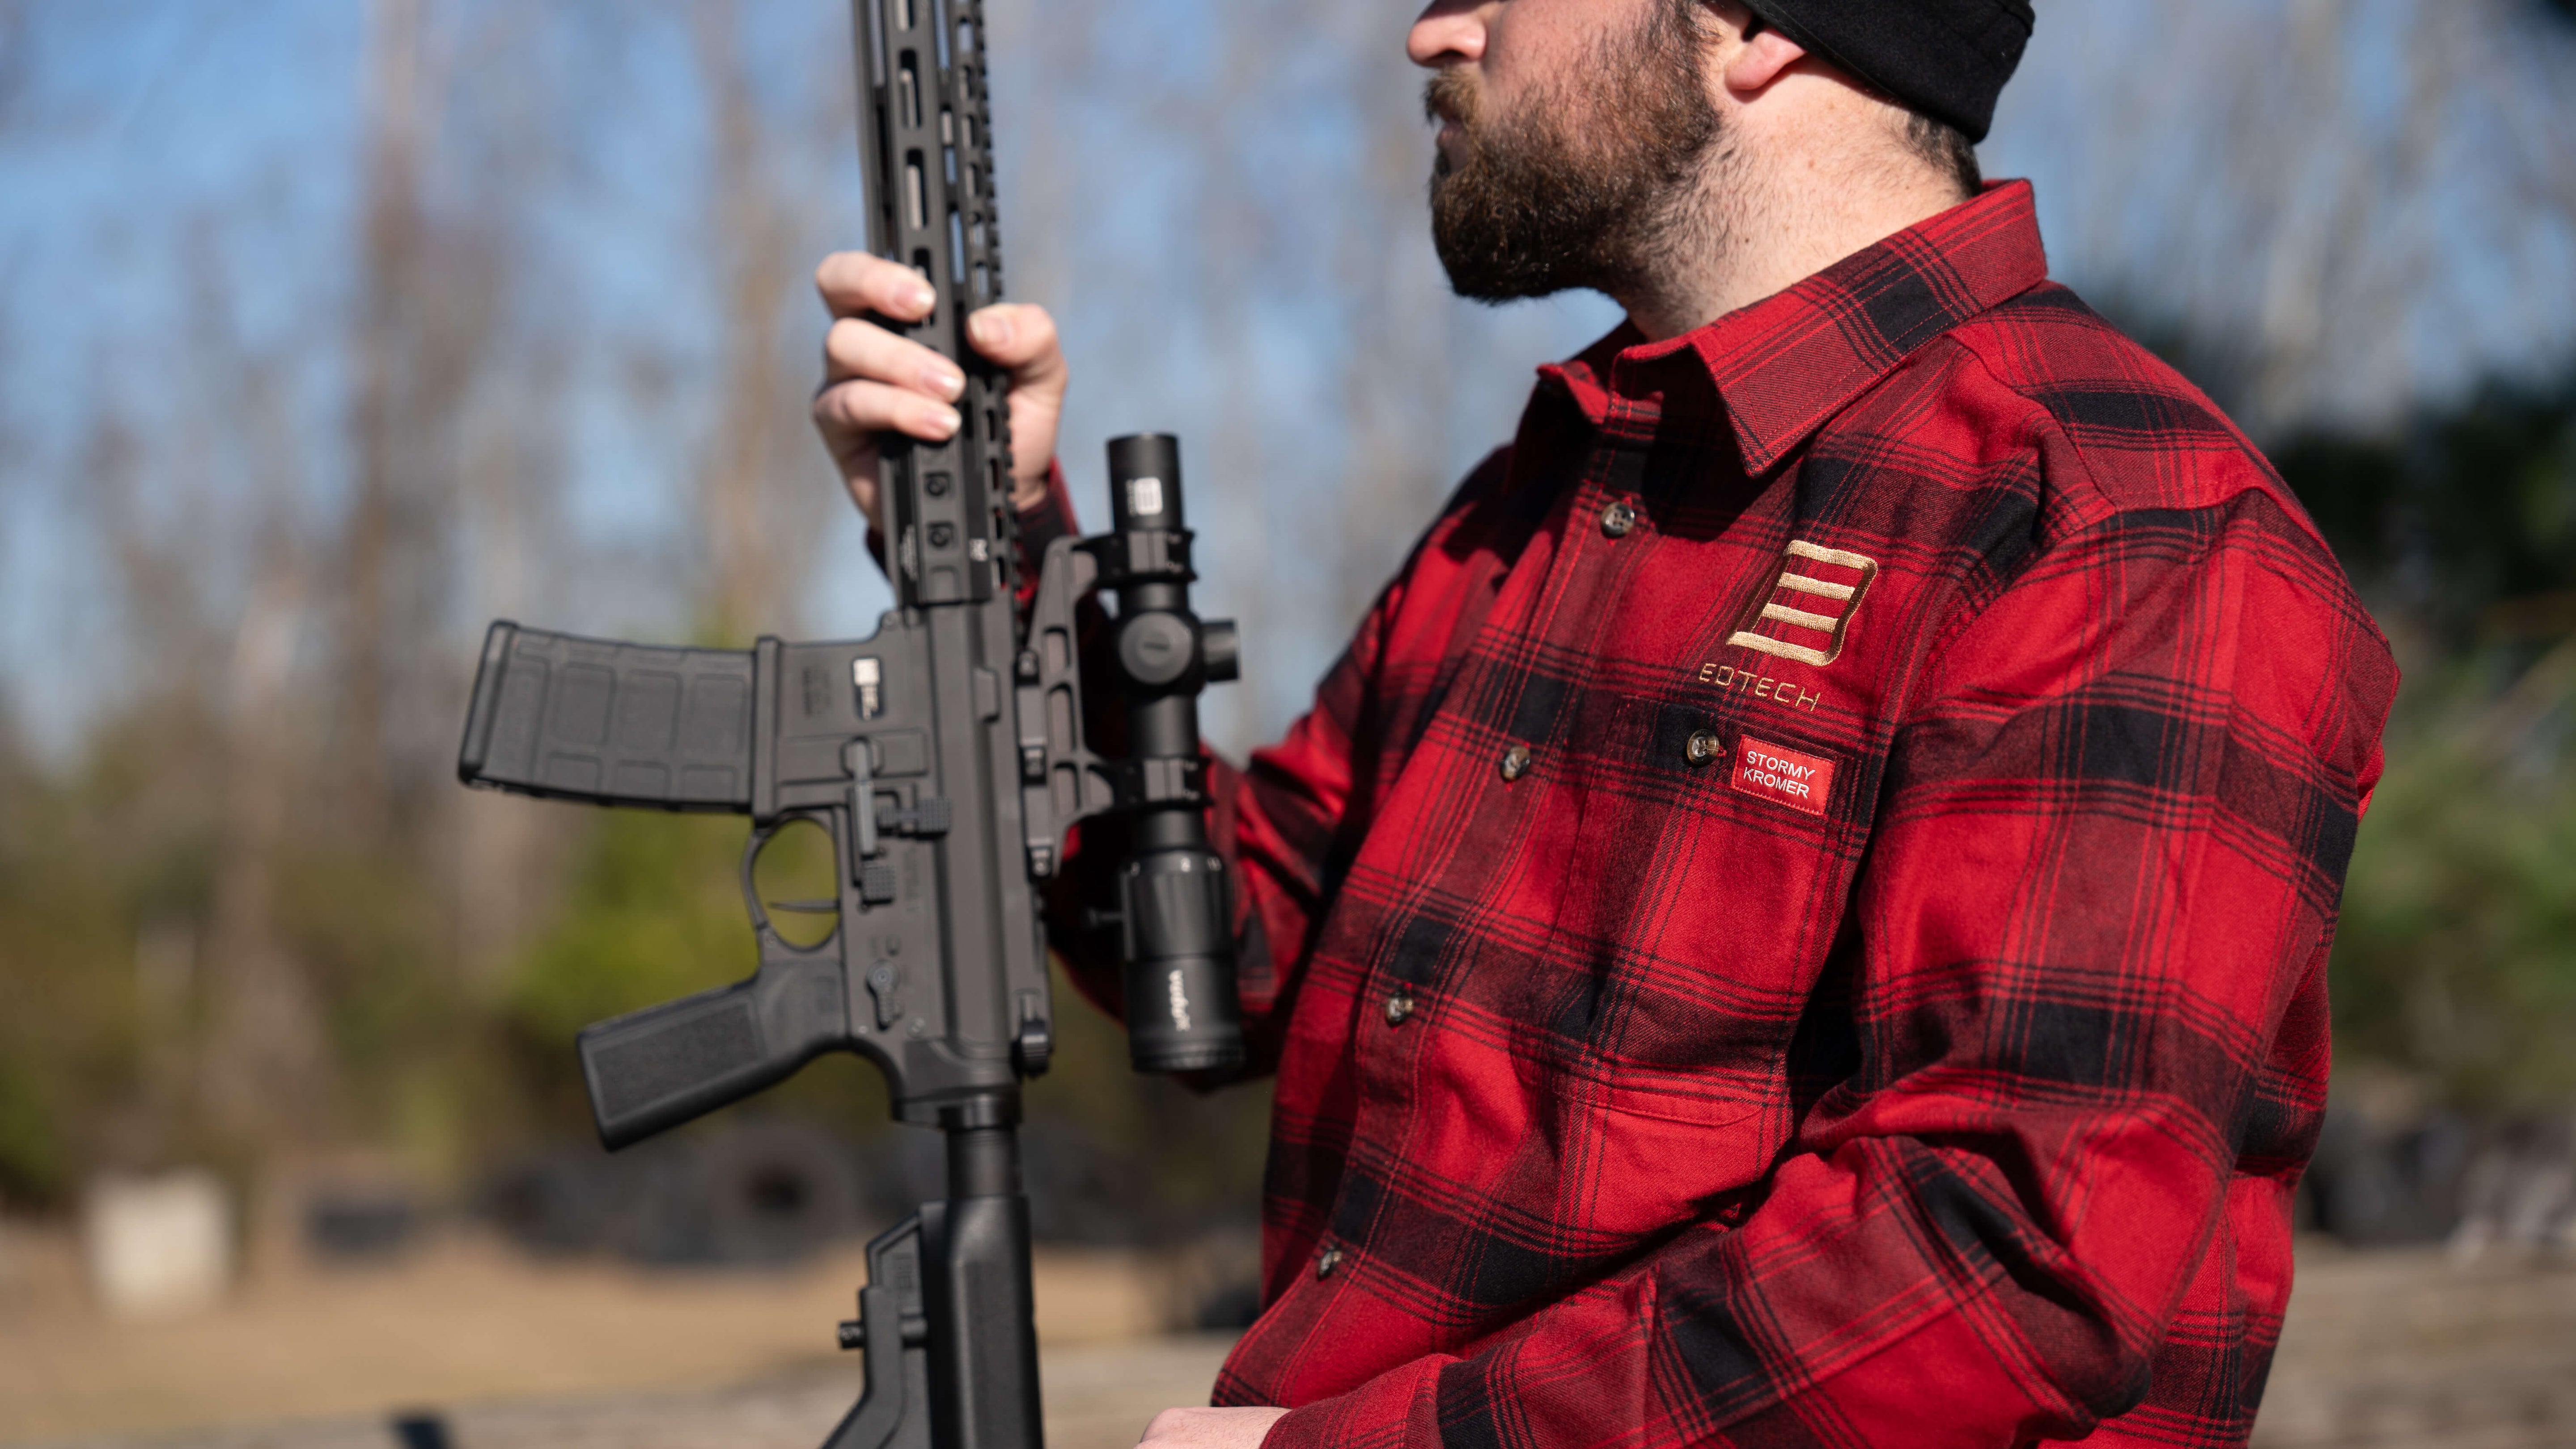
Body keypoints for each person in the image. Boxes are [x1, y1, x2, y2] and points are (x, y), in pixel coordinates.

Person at [810, 1, 2398, 1445]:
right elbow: (1229, 952)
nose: (1435, 32)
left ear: (1750, 31)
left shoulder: (2117, 523)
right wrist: (994, 556)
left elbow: (2003, 1261)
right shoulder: (1553, 486)